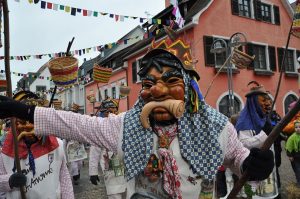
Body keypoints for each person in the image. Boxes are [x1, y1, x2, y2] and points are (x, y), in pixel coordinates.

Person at [0, 35, 275, 199]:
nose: (156, 89)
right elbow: (75, 124)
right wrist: (21, 110)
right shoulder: (126, 125)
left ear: (189, 90)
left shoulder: (213, 125)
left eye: (170, 80)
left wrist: (253, 163)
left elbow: (239, 160)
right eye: (148, 84)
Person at [0, 91, 74, 199]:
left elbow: (64, 180)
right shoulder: (5, 152)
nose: (29, 126)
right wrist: (8, 181)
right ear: (15, 122)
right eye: (22, 122)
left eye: (33, 122)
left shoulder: (57, 145)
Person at [234, 81, 278, 198]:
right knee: (251, 196)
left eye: (268, 100)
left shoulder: (265, 119)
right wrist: (264, 134)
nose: (268, 103)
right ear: (254, 102)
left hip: (267, 172)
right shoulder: (244, 121)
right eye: (263, 101)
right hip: (251, 172)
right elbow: (243, 144)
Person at [89, 98, 127, 199]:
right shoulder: (99, 127)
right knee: (114, 194)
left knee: (128, 193)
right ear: (103, 112)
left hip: (125, 165)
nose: (112, 114)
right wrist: (93, 172)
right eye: (108, 111)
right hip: (110, 166)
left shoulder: (124, 123)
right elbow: (94, 151)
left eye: (114, 111)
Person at [66, 103, 87, 185]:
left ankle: (77, 174)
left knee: (79, 164)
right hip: (71, 146)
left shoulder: (80, 123)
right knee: (73, 164)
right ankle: (75, 178)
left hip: (79, 146)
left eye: (75, 111)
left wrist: (82, 140)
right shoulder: (67, 123)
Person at [286, 120, 300, 187]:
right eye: (296, 127)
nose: (298, 128)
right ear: (294, 128)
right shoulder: (292, 137)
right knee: (298, 170)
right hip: (296, 156)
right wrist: (290, 156)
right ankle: (299, 182)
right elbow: (289, 147)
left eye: (299, 127)